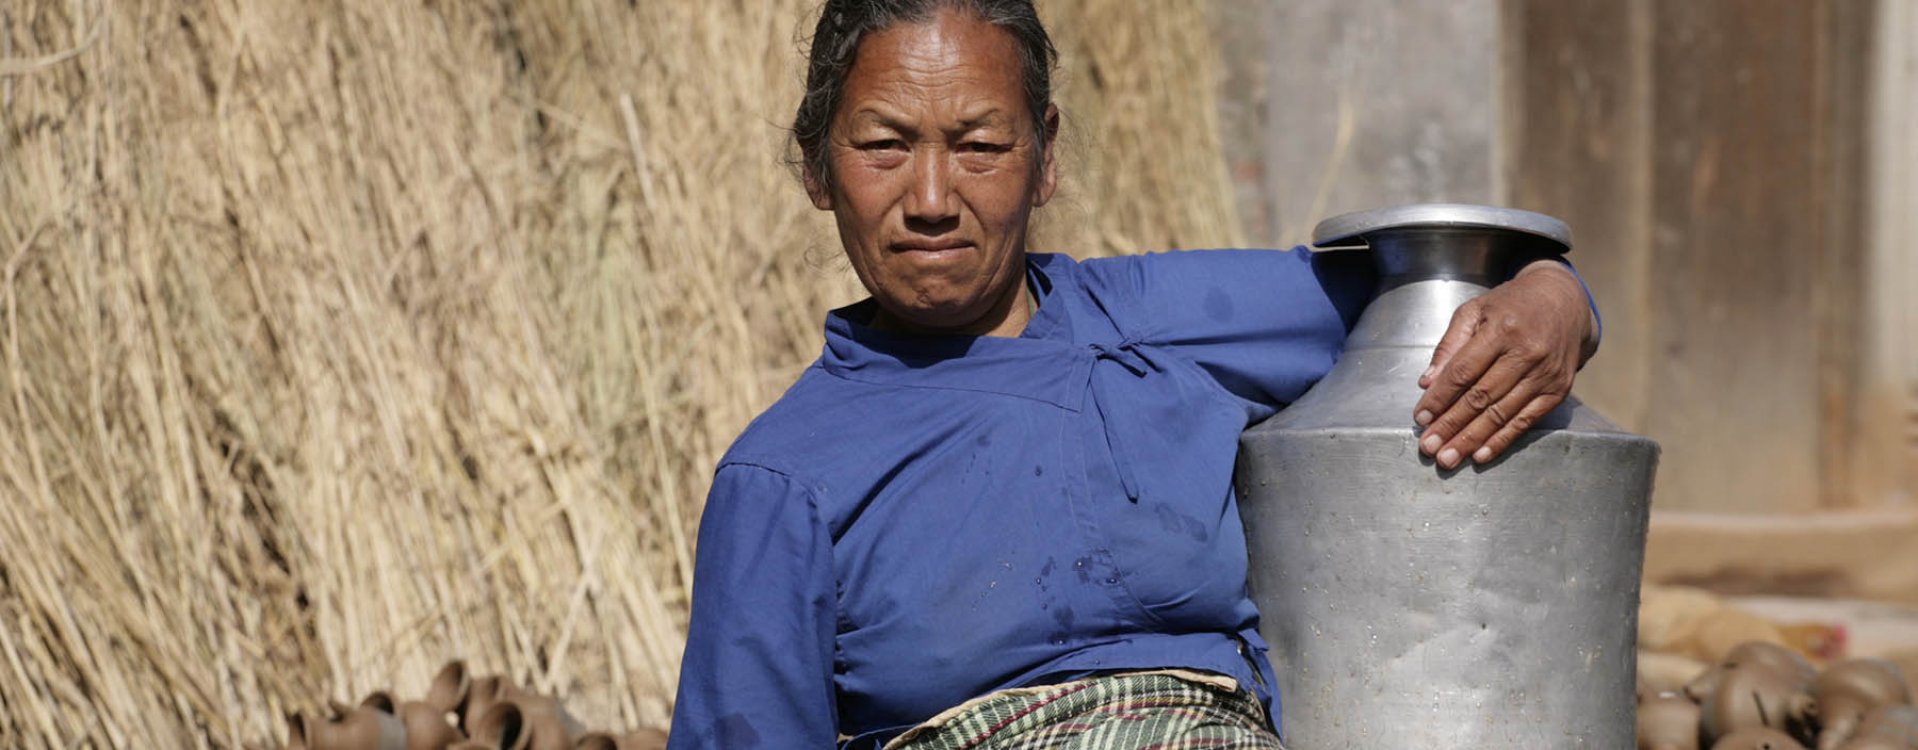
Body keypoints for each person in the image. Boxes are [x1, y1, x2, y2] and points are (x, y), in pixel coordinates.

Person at [666, 1, 1600, 748]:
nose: (933, 199)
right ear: (817, 167)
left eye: (980, 144)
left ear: (1045, 157)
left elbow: (1444, 296)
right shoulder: (784, 482)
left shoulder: (1161, 324)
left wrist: (1559, 296)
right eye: (884, 145)